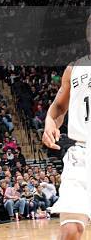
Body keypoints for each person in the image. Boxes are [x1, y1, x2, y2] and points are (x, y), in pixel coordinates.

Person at [42, 31, 91, 238]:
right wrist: (50, 123)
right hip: (81, 153)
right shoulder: (74, 68)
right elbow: (58, 107)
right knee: (71, 229)